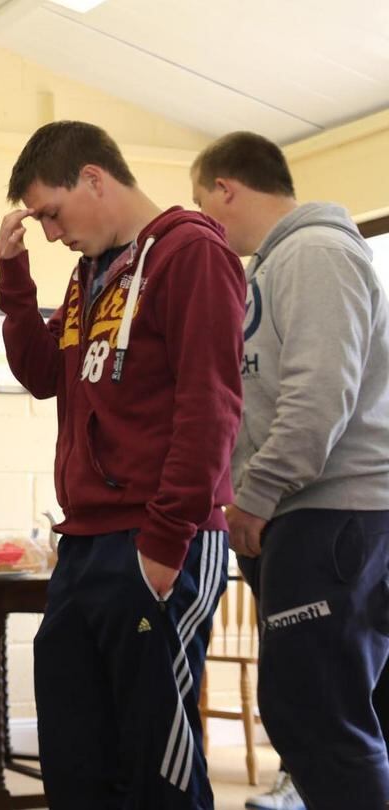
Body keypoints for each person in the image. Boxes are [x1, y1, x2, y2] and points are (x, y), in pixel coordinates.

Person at [0, 120, 244, 808]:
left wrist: (165, 543)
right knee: (76, 747)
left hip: (156, 542)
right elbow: (45, 373)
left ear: (94, 178)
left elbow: (211, 405)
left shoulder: (189, 253)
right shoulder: (91, 274)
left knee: (151, 757)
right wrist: (15, 282)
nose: (50, 233)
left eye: (53, 213)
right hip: (86, 543)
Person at [191, 130, 389, 809]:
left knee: (318, 714)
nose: (204, 221)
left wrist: (256, 494)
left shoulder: (315, 253)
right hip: (309, 513)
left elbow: (318, 393)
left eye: (202, 202)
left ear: (227, 188)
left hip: (330, 509)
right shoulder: (275, 267)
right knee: (322, 713)